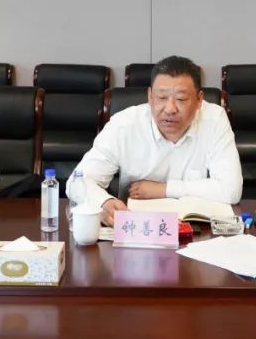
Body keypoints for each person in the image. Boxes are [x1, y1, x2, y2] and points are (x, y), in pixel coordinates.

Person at [67, 55, 242, 226]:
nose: (170, 109)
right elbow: (76, 181)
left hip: (197, 231)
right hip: (137, 229)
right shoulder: (125, 125)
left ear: (199, 100)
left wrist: (163, 189)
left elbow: (231, 190)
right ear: (150, 97)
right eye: (162, 98)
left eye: (181, 99)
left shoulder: (214, 120)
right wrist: (103, 202)